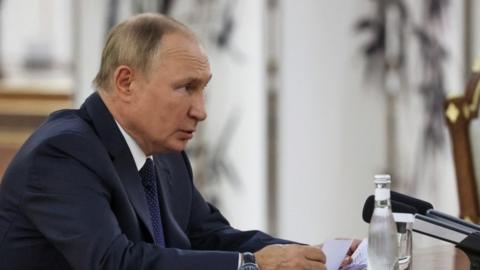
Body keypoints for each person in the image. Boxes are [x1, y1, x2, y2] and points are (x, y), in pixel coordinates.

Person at [0, 13, 355, 270]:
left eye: (203, 89)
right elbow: (114, 262)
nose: (200, 111)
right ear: (126, 82)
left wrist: (315, 256)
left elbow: (209, 235)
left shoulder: (163, 154)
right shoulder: (63, 153)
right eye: (186, 88)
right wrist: (252, 266)